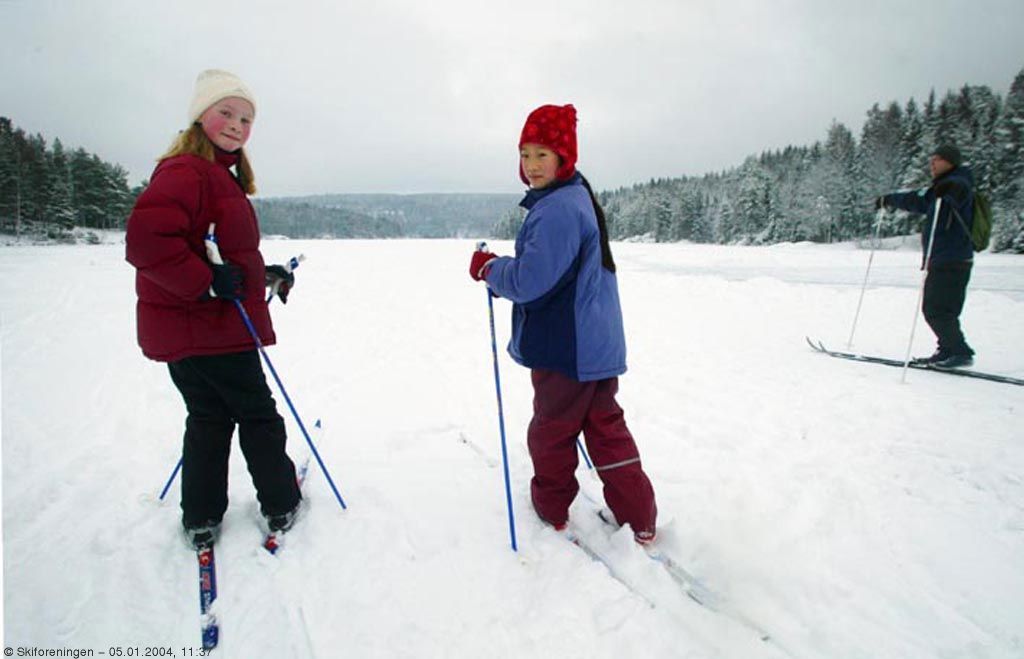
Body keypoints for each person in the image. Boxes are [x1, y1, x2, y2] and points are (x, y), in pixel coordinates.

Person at [126, 69, 301, 549]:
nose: (236, 124)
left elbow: (216, 251)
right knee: (257, 416)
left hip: (192, 330)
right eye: (226, 112)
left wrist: (263, 273)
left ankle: (201, 515)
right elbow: (146, 242)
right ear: (200, 114)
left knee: (208, 417)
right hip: (211, 328)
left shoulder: (213, 175)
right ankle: (281, 501)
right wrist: (206, 285)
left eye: (245, 118)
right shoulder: (188, 171)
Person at [468, 104, 658, 545]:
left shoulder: (556, 209)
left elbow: (532, 281)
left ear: (564, 156)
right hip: (595, 344)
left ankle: (551, 508)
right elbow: (557, 273)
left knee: (552, 430)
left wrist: (490, 270)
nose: (531, 166)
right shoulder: (575, 195)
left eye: (542, 154)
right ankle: (639, 517)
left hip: (566, 347)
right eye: (525, 154)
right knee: (605, 429)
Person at [876, 144, 976, 368]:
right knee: (941, 309)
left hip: (952, 259)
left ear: (951, 162)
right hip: (945, 259)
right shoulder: (939, 189)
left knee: (936, 310)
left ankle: (959, 351)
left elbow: (958, 189)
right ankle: (948, 349)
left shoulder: (958, 184)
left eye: (937, 160)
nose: (932, 164)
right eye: (931, 160)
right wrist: (890, 199)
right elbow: (916, 199)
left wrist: (949, 187)